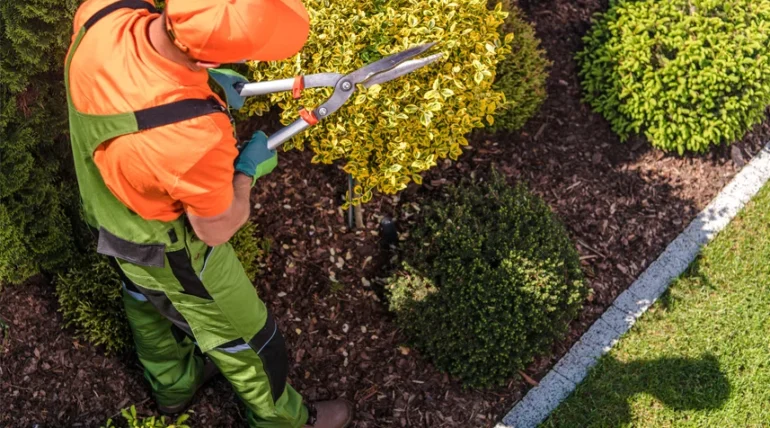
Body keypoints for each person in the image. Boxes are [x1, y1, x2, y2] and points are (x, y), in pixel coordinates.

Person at [64, 0, 352, 426]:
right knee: (249, 339)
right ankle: (284, 421)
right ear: (215, 56)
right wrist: (246, 172)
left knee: (145, 298)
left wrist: (201, 78)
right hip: (173, 249)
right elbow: (216, 227)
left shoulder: (103, 11)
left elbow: (137, 77)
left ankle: (173, 386)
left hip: (111, 216)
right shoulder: (193, 138)